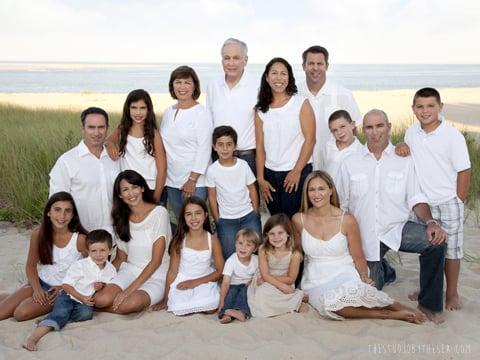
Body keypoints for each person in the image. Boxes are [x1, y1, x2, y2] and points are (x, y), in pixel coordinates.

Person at [337, 109, 447, 323]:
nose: (375, 132)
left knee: (436, 242)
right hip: (365, 236)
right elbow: (342, 204)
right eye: (369, 127)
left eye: (379, 126)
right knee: (370, 294)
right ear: (362, 131)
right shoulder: (350, 163)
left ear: (388, 127)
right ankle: (385, 270)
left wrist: (431, 222)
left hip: (397, 228)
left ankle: (429, 304)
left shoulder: (404, 159)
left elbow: (416, 197)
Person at [292, 171, 426, 323]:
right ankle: (389, 315)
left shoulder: (346, 220)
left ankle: (399, 307)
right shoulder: (299, 219)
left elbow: (358, 256)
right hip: (315, 279)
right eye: (312, 190)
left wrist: (363, 275)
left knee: (362, 295)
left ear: (330, 190)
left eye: (321, 189)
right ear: (307, 193)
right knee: (331, 306)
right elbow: (297, 254)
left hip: (343, 271)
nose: (317, 194)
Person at [396, 87, 471, 310]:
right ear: (413, 109)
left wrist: (459, 199)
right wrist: (401, 146)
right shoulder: (411, 132)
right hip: (423, 203)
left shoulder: (452, 135)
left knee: (451, 250)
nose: (425, 110)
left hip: (448, 201)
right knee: (428, 247)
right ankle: (429, 288)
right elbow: (408, 153)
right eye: (420, 106)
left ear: (440, 107)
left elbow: (464, 171)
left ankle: (452, 293)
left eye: (430, 106)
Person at [22, 230, 116, 351]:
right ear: (88, 251)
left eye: (102, 250)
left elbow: (107, 285)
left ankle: (50, 318)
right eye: (94, 251)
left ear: (110, 251)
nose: (98, 255)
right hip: (68, 296)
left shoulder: (111, 270)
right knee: (61, 313)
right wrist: (81, 297)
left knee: (86, 314)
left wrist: (101, 286)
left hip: (84, 300)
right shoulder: (80, 265)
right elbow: (66, 285)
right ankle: (32, 338)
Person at [0, 192, 87, 321]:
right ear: (48, 212)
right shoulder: (38, 234)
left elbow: (91, 269)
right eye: (57, 210)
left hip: (60, 291)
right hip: (40, 283)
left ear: (73, 215)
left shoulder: (80, 239)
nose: (62, 216)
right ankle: (16, 295)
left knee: (20, 313)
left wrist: (65, 287)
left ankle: (15, 297)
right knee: (1, 312)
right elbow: (31, 266)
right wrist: (37, 289)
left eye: (67, 211)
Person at [93, 170, 171, 314]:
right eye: (125, 189)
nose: (131, 193)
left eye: (134, 187)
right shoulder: (121, 218)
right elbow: (121, 258)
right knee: (100, 299)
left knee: (129, 304)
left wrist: (128, 290)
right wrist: (102, 278)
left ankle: (104, 307)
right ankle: (99, 305)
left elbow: (156, 261)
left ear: (142, 188)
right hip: (131, 270)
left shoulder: (159, 213)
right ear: (120, 195)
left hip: (157, 275)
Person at [255, 57, 316, 218]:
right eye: (274, 73)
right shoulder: (261, 110)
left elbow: (310, 140)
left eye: (283, 73)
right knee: (277, 224)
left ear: (289, 78)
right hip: (270, 176)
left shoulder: (300, 103)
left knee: (295, 222)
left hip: (296, 173)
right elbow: (260, 147)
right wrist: (260, 179)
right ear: (267, 77)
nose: (279, 78)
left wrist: (296, 171)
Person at [49, 107, 120, 234]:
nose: (97, 133)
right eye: (91, 127)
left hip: (114, 237)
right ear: (82, 128)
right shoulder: (66, 161)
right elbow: (56, 203)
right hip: (80, 236)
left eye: (101, 127)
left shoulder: (115, 158)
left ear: (107, 127)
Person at [152, 196, 224, 315]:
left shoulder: (213, 240)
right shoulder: (180, 240)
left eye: (198, 213)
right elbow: (172, 271)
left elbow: (220, 271)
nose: (194, 218)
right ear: (184, 218)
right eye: (189, 214)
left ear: (205, 215)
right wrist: (165, 298)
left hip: (204, 279)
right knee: (177, 305)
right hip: (183, 279)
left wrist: (194, 282)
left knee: (211, 306)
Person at [160, 66, 212, 222]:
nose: (182, 87)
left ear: (194, 86)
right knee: (182, 224)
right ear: (172, 85)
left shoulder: (201, 113)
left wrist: (192, 180)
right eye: (178, 82)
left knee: (196, 224)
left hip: (194, 182)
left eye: (187, 82)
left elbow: (205, 148)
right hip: (172, 180)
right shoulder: (168, 112)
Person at [299, 46, 361, 170]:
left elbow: (354, 132)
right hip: (301, 167)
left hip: (334, 166)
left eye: (319, 63)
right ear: (303, 66)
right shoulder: (294, 94)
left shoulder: (344, 94)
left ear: (327, 66)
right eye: (311, 63)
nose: (315, 68)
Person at [206, 126, 261, 260]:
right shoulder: (212, 170)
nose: (225, 149)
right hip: (226, 220)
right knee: (230, 255)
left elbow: (252, 188)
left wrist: (255, 211)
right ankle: (234, 280)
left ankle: (254, 279)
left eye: (229, 144)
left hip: (248, 216)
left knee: (254, 252)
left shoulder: (243, 165)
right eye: (221, 145)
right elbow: (212, 197)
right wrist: (217, 219)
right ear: (214, 147)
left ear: (235, 146)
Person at [206, 38, 258, 174]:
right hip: (218, 156)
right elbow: (209, 120)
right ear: (222, 60)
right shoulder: (213, 84)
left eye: (236, 58)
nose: (231, 63)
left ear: (245, 60)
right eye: (227, 58)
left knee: (249, 195)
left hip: (248, 157)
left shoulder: (258, 85)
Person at [105, 89, 167, 203]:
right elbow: (109, 140)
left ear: (148, 110)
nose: (138, 113)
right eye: (134, 108)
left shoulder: (154, 134)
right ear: (128, 109)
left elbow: (162, 169)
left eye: (142, 108)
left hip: (150, 188)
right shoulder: (122, 128)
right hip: (128, 189)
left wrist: (156, 199)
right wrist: (110, 144)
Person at [247, 213, 307, 317]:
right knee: (261, 294)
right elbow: (265, 275)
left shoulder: (294, 253)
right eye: (272, 234)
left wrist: (283, 286)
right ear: (266, 235)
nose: (276, 237)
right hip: (265, 281)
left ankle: (295, 301)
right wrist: (281, 286)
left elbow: (291, 278)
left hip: (285, 281)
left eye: (280, 233)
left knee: (267, 294)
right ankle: (293, 302)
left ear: (288, 234)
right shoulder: (263, 249)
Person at [219, 228, 259, 324]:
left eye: (248, 245)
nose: (243, 247)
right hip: (233, 285)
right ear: (235, 244)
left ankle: (241, 313)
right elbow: (225, 282)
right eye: (240, 243)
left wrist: (252, 282)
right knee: (231, 293)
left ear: (255, 249)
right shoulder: (231, 260)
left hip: (248, 285)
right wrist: (221, 301)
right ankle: (226, 313)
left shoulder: (257, 260)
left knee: (244, 294)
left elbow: (259, 275)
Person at [317, 110, 362, 184]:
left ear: (352, 125)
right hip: (328, 193)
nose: (339, 132)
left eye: (342, 127)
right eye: (335, 130)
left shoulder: (360, 151)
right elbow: (320, 170)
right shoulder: (328, 147)